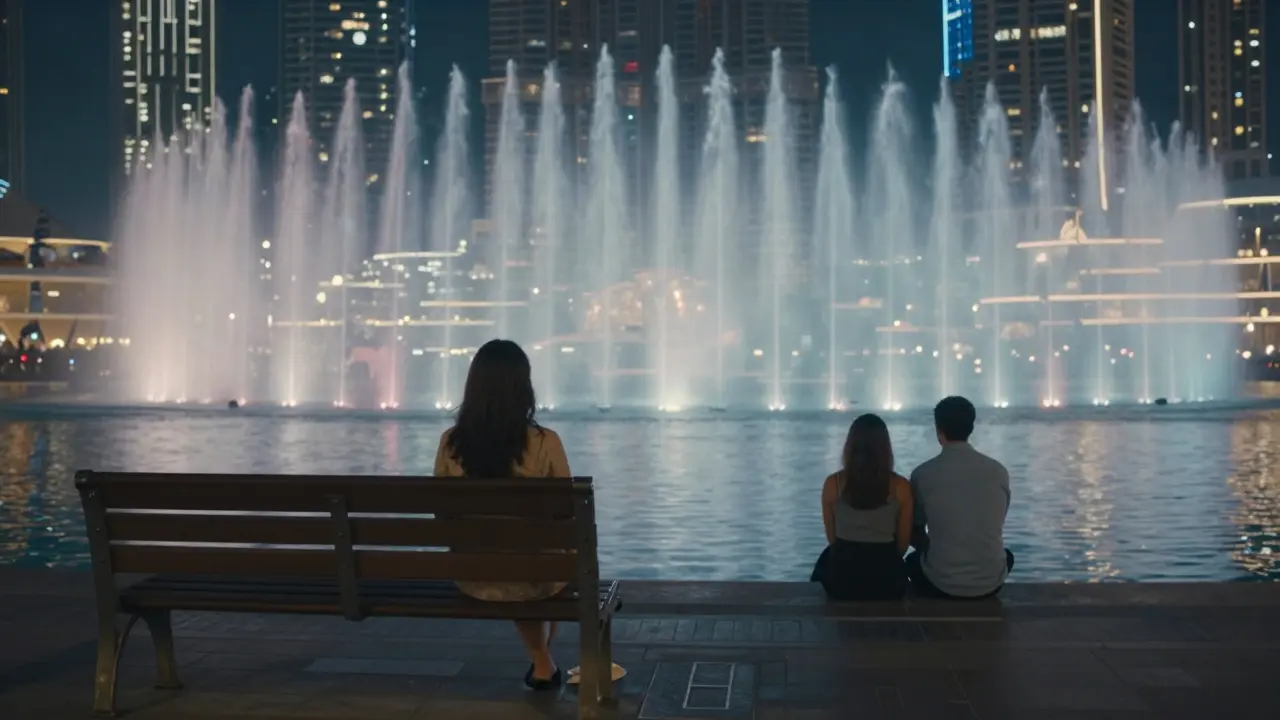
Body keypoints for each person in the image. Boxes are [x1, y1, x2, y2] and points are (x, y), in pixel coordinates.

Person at [432, 339, 571, 690]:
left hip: (473, 575)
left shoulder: (451, 443)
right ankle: (543, 662)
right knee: (547, 560)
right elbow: (567, 511)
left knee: (521, 561)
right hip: (535, 574)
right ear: (524, 387)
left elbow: (442, 515)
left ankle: (544, 663)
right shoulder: (545, 442)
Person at [906, 396, 1014, 599]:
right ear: (971, 428)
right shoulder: (998, 471)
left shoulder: (923, 473)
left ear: (938, 429)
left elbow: (915, 529)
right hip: (990, 583)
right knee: (1007, 556)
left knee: (912, 562)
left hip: (940, 583)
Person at [810, 414, 913, 600]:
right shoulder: (901, 487)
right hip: (886, 580)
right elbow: (903, 544)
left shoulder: (833, 484)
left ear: (851, 446)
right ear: (885, 448)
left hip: (842, 579)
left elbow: (832, 538)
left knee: (828, 559)